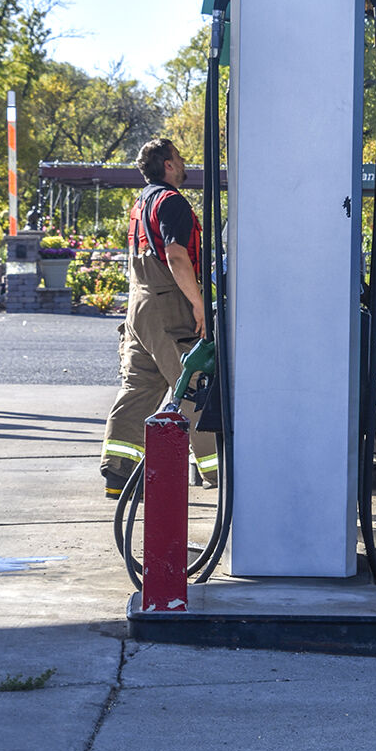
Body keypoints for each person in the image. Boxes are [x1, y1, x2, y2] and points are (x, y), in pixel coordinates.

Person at [100, 137, 216, 499]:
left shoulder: (142, 202)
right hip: (168, 306)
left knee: (140, 387)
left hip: (139, 306)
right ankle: (218, 473)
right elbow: (176, 256)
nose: (184, 164)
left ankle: (118, 473)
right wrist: (198, 305)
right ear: (168, 164)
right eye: (179, 158)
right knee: (195, 384)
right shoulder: (172, 202)